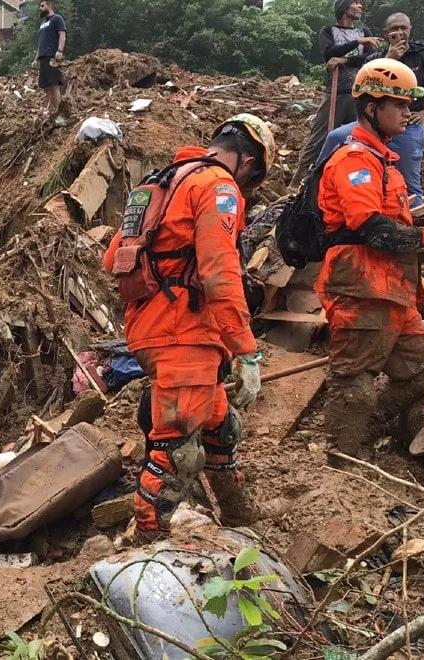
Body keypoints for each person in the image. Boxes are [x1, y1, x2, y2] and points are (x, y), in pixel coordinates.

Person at [102, 114, 277, 540]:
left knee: (220, 424)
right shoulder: (218, 186)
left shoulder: (160, 185)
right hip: (185, 329)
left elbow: (112, 260)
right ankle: (145, 545)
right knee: (176, 453)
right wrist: (245, 347)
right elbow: (220, 271)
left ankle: (238, 516)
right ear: (249, 163)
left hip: (154, 324)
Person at [315, 58, 424, 462]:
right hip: (360, 286)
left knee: (423, 370)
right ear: (373, 107)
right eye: (400, 105)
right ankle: (340, 462)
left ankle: (369, 430)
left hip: (392, 290)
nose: (409, 113)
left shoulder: (384, 161)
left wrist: (423, 225)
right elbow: (372, 228)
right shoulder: (354, 159)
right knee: (353, 380)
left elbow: (390, 220)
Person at [314, 12, 424, 205]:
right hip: (371, 126)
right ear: (386, 34)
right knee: (336, 138)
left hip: (406, 126)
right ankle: (314, 196)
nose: (399, 33)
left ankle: (412, 227)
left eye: (403, 28)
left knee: (410, 186)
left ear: (410, 30)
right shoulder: (375, 58)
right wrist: (388, 59)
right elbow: (361, 86)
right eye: (394, 29)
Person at [291, 0, 382, 186]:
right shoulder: (328, 31)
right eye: (355, 3)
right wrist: (357, 42)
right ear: (344, 7)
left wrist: (344, 61)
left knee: (360, 137)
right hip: (336, 92)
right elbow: (329, 53)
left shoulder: (365, 32)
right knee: (320, 135)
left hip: (360, 94)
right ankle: (298, 181)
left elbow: (370, 58)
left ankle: (353, 182)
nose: (360, 6)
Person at [33, 0, 67, 125]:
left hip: (52, 56)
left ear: (50, 5)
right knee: (46, 86)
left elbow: (62, 35)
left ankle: (59, 115)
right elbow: (41, 41)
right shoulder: (42, 23)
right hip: (42, 57)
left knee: (54, 85)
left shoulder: (57, 19)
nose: (40, 8)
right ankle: (51, 111)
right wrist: (36, 57)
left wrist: (59, 50)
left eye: (42, 5)